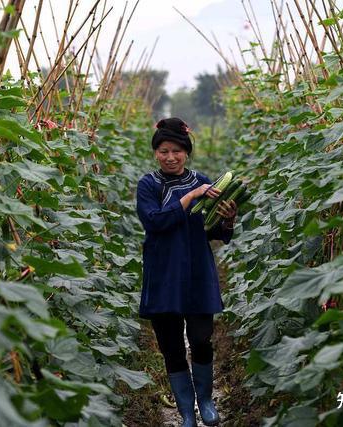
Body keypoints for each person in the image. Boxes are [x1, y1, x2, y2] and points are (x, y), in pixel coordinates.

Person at [136, 117, 237, 426]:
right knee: (171, 347)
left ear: (186, 153)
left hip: (196, 272)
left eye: (177, 151)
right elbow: (154, 222)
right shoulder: (148, 185)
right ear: (156, 153)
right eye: (164, 151)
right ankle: (185, 412)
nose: (170, 157)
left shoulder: (203, 181)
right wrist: (191, 196)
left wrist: (228, 219)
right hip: (164, 273)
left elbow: (214, 231)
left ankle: (205, 400)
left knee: (201, 338)